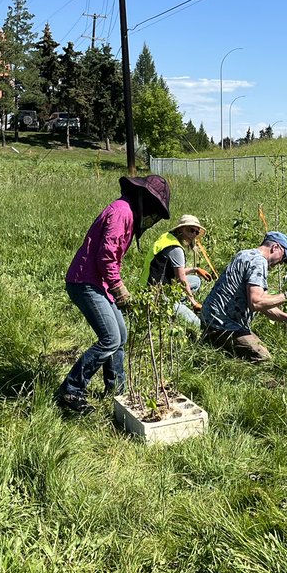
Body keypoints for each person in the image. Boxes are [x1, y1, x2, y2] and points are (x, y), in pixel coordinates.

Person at [57, 173, 171, 415]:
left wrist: (115, 288)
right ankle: (71, 390)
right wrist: (120, 290)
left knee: (120, 335)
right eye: (152, 206)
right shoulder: (122, 212)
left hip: (99, 284)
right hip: (85, 282)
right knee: (110, 338)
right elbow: (106, 258)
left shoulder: (126, 212)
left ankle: (117, 391)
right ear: (142, 198)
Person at [199, 231, 287, 363]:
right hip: (224, 324)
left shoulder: (245, 254)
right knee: (265, 359)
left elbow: (263, 304)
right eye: (283, 257)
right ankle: (217, 344)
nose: (281, 263)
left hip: (210, 319)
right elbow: (256, 303)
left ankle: (213, 340)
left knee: (258, 348)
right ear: (275, 248)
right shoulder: (259, 262)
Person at [146, 214, 212, 327]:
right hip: (157, 294)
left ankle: (178, 304)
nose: (194, 235)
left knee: (195, 280)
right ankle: (171, 307)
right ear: (181, 228)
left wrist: (195, 269)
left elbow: (171, 271)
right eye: (191, 230)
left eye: (196, 232)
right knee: (196, 323)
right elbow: (181, 279)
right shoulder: (175, 248)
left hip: (154, 284)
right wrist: (194, 303)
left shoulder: (168, 238)